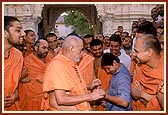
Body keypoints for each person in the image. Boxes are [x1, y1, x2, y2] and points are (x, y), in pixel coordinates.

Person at [43, 33, 105, 111]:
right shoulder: (57, 65)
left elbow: (72, 86)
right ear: (71, 49)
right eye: (80, 50)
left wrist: (89, 86)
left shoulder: (71, 64)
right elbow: (60, 99)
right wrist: (91, 96)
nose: (82, 54)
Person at [131, 34, 164, 111]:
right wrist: (148, 97)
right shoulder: (140, 67)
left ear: (149, 52)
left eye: (136, 51)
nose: (133, 55)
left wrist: (142, 95)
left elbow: (161, 105)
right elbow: (133, 91)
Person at [19, 39, 52, 111]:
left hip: (49, 98)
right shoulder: (26, 62)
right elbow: (17, 77)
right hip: (31, 99)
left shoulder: (51, 60)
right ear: (36, 48)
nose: (46, 50)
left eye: (47, 48)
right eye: (43, 48)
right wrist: (21, 79)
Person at [4, 16, 25, 110]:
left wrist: (15, 94)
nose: (23, 34)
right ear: (4, 33)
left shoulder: (18, 55)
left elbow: (15, 84)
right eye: (18, 30)